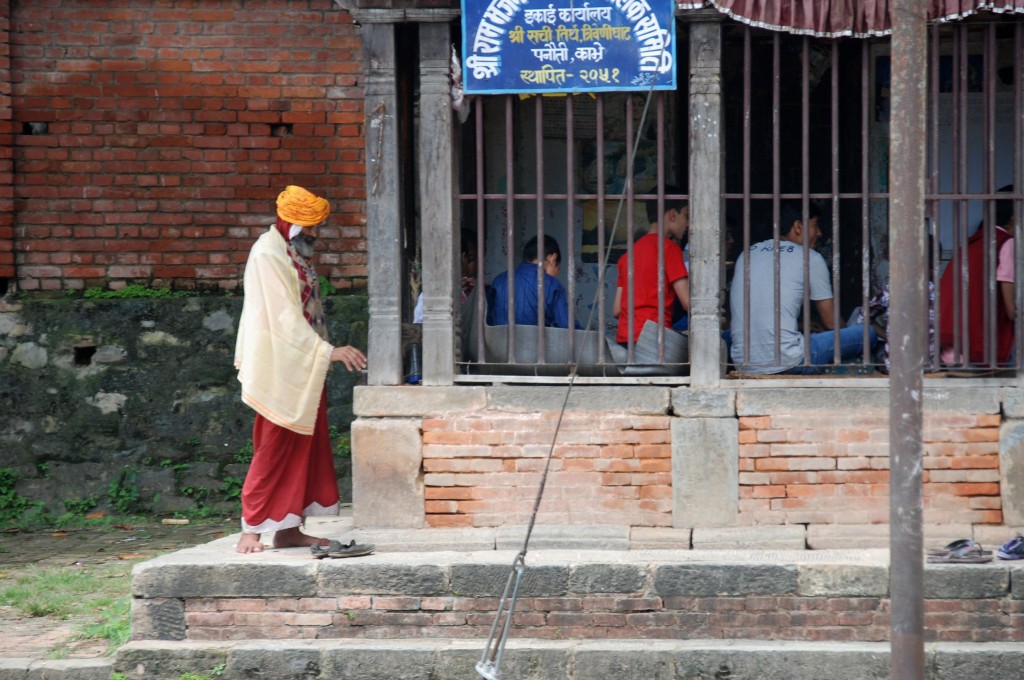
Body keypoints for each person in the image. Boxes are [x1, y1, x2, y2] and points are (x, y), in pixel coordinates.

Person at [233, 185, 367, 554]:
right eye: (309, 227)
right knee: (274, 446)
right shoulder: (267, 255)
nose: (314, 234)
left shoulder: (292, 251)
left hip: (303, 364)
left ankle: (289, 530)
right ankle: (251, 530)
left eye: (316, 227)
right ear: (288, 222)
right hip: (279, 366)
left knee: (305, 446)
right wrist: (329, 351)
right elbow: (283, 319)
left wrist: (321, 353)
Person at [729, 201, 876, 374]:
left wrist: (799, 325)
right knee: (868, 334)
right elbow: (831, 323)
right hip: (791, 361)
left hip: (743, 362)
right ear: (798, 226)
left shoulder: (747, 254)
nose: (820, 233)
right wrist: (845, 335)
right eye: (815, 225)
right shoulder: (810, 257)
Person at [938, 185, 1015, 366]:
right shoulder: (1006, 242)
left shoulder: (977, 241)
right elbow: (1012, 311)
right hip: (980, 350)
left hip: (955, 347)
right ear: (1014, 217)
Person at [613, 188, 689, 344]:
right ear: (673, 215)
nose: (688, 224)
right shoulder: (669, 248)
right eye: (686, 217)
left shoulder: (627, 255)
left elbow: (617, 310)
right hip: (654, 341)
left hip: (625, 340)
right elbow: (688, 303)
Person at [486, 234, 579, 329]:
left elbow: (488, 321)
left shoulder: (499, 281)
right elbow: (567, 327)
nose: (557, 274)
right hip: (535, 343)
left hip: (499, 343)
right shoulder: (552, 285)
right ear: (553, 259)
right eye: (557, 268)